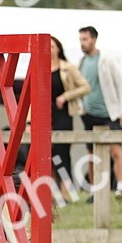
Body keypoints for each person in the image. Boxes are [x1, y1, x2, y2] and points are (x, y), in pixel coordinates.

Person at [78, 26, 122, 198]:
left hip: (108, 113)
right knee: (91, 153)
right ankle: (95, 191)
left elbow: (121, 85)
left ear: (94, 39)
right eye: (80, 40)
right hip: (88, 114)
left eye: (85, 39)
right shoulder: (81, 62)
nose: (82, 43)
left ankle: (121, 187)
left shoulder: (107, 59)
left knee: (115, 150)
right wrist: (81, 107)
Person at [50, 35, 91, 196]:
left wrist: (65, 96)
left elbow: (85, 87)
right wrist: (29, 121)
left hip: (63, 115)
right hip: (45, 115)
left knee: (62, 153)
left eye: (52, 46)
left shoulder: (68, 67)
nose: (49, 50)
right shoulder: (39, 67)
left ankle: (67, 192)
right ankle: (52, 193)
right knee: (48, 156)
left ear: (58, 49)